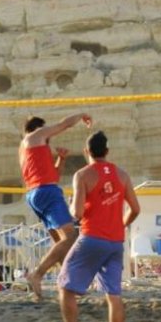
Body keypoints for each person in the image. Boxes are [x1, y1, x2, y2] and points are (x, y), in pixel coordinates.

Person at [57, 131, 140, 322]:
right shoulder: (121, 174)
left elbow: (77, 213)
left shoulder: (83, 174)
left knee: (64, 288)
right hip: (115, 242)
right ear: (108, 151)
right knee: (114, 296)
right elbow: (136, 209)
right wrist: (121, 225)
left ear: (87, 152)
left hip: (92, 238)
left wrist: (73, 203)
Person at [19, 113, 92, 300]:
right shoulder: (36, 136)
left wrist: (61, 158)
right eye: (46, 130)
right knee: (70, 237)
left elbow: (54, 176)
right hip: (47, 192)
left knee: (61, 242)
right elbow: (64, 123)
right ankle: (38, 274)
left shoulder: (28, 148)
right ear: (38, 128)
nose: (49, 134)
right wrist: (82, 115)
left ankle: (67, 283)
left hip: (35, 193)